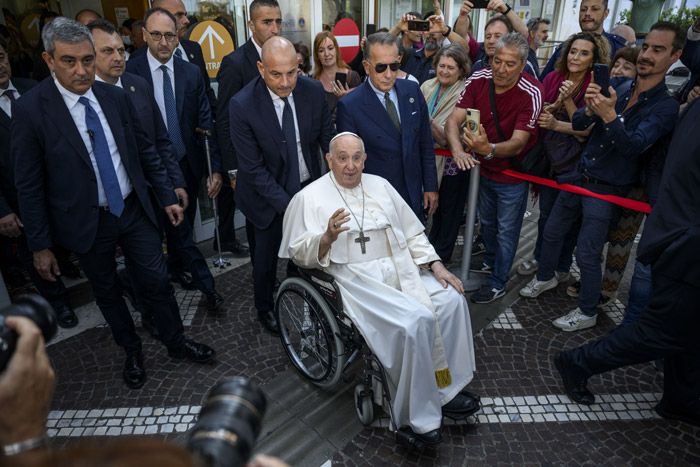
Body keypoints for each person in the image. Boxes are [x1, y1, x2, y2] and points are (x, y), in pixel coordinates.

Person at [13, 17, 215, 389]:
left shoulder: (117, 97)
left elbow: (146, 151)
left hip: (133, 209)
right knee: (107, 291)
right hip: (87, 223)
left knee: (157, 279)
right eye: (69, 61)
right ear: (48, 60)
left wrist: (167, 195)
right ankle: (131, 349)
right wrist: (40, 245)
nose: (81, 70)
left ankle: (175, 340)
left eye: (88, 60)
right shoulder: (31, 111)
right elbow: (29, 185)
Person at [279, 132, 477, 446]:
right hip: (355, 281)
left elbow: (412, 233)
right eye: (342, 158)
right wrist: (327, 237)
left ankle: (446, 388)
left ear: (365, 158)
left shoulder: (381, 186)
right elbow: (299, 252)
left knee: (452, 300)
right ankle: (414, 415)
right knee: (414, 323)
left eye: (357, 157)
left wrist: (436, 266)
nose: (350, 165)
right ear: (329, 159)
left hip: (400, 269)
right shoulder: (310, 197)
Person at [520, 22, 684, 332]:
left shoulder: (666, 107)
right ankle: (546, 276)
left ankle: (587, 311)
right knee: (552, 232)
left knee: (587, 251)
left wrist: (608, 116)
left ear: (675, 56)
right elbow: (582, 123)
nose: (647, 54)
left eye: (658, 50)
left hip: (608, 190)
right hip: (580, 175)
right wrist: (589, 105)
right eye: (646, 46)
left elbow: (634, 147)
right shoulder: (620, 88)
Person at [554, 96, 700, 428]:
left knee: (689, 332)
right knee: (659, 332)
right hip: (688, 247)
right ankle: (577, 361)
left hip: (677, 234)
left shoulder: (693, 107)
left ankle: (681, 398)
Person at [229, 36, 332, 335]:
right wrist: (291, 208)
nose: (286, 82)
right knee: (265, 259)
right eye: (276, 74)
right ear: (261, 68)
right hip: (264, 198)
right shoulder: (242, 105)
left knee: (304, 253)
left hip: (305, 186)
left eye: (292, 72)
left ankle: (298, 291)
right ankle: (264, 307)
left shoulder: (312, 91)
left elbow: (328, 138)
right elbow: (253, 169)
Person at [126, 8, 225, 307]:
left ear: (178, 35)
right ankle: (165, 284)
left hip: (184, 163)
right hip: (145, 170)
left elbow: (205, 120)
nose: (163, 42)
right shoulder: (130, 71)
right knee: (154, 232)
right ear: (144, 35)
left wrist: (214, 167)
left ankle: (184, 270)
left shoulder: (191, 72)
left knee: (182, 227)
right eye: (155, 35)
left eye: (170, 35)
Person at [445, 33, 543, 304]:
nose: (500, 69)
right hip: (482, 170)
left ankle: (499, 282)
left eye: (510, 64)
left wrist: (488, 149)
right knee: (486, 224)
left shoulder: (532, 90)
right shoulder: (478, 79)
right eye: (496, 61)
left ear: (522, 65)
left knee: (507, 229)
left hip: (512, 173)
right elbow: (453, 121)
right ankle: (489, 262)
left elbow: (519, 142)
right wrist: (457, 150)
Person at [516, 32, 609, 278]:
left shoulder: (595, 87)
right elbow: (540, 109)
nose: (575, 57)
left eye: (584, 53)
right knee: (546, 215)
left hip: (577, 163)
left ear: (593, 59)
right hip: (550, 158)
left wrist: (564, 107)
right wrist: (550, 109)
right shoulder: (554, 77)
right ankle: (540, 258)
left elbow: (585, 132)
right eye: (573, 51)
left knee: (568, 222)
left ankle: (562, 266)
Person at [0, 40, 78, 328]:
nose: (0, 65)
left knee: (64, 242)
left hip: (58, 190)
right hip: (18, 199)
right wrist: (2, 209)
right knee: (37, 252)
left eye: (1, 56)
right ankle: (58, 303)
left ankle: (68, 265)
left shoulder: (32, 87)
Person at [336, 32, 438, 221]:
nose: (389, 74)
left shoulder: (412, 90)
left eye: (394, 66)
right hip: (374, 202)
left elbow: (425, 142)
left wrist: (430, 186)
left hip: (413, 196)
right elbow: (348, 164)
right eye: (381, 67)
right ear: (367, 66)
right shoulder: (350, 105)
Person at [215, 0, 282, 257]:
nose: (274, 28)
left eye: (278, 21)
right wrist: (233, 169)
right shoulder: (235, 62)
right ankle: (262, 274)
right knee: (259, 228)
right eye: (267, 22)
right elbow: (224, 120)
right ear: (251, 25)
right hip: (251, 164)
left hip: (281, 160)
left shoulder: (284, 55)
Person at [421, 44, 471, 263]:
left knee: (448, 212)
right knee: (431, 207)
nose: (445, 71)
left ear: (461, 70)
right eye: (442, 65)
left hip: (453, 162)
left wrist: (425, 119)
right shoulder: (427, 85)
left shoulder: (465, 93)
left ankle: (442, 257)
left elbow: (445, 137)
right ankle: (431, 252)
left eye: (451, 67)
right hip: (428, 159)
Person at [540, 0, 626, 79]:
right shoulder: (565, 47)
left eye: (594, 9)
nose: (587, 13)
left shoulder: (617, 49)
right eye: (583, 9)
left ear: (605, 13)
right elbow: (544, 83)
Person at [455, 1, 536, 76]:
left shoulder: (524, 67)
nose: (491, 41)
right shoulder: (478, 65)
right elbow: (461, 35)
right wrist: (463, 15)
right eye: (488, 36)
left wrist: (505, 9)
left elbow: (524, 33)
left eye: (498, 36)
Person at [399, 14, 469, 85]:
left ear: (443, 36)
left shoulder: (445, 60)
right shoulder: (408, 54)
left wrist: (445, 29)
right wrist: (398, 27)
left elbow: (465, 49)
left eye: (437, 30)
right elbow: (387, 46)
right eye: (427, 28)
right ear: (422, 33)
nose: (431, 33)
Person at [312, 31, 361, 121]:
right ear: (317, 55)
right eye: (321, 50)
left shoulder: (352, 77)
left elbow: (360, 111)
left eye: (330, 48)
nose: (327, 54)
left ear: (336, 50)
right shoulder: (313, 80)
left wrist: (348, 98)